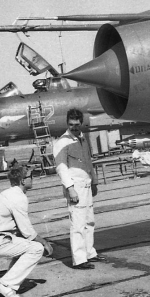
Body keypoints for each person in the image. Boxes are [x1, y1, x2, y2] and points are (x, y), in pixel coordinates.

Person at [0, 166, 53, 297]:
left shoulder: (10, 193)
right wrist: (44, 242)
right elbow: (27, 231)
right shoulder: (18, 198)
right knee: (37, 248)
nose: (33, 179)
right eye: (31, 176)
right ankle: (6, 285)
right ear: (23, 181)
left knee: (27, 245)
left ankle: (10, 282)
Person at [53, 108, 106, 269]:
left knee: (89, 221)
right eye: (71, 124)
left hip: (87, 186)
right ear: (67, 123)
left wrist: (94, 182)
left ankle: (89, 252)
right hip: (75, 188)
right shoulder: (62, 142)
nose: (74, 127)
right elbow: (61, 167)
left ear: (81, 123)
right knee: (77, 224)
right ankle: (79, 259)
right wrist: (70, 189)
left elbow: (89, 163)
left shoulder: (82, 139)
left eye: (77, 124)